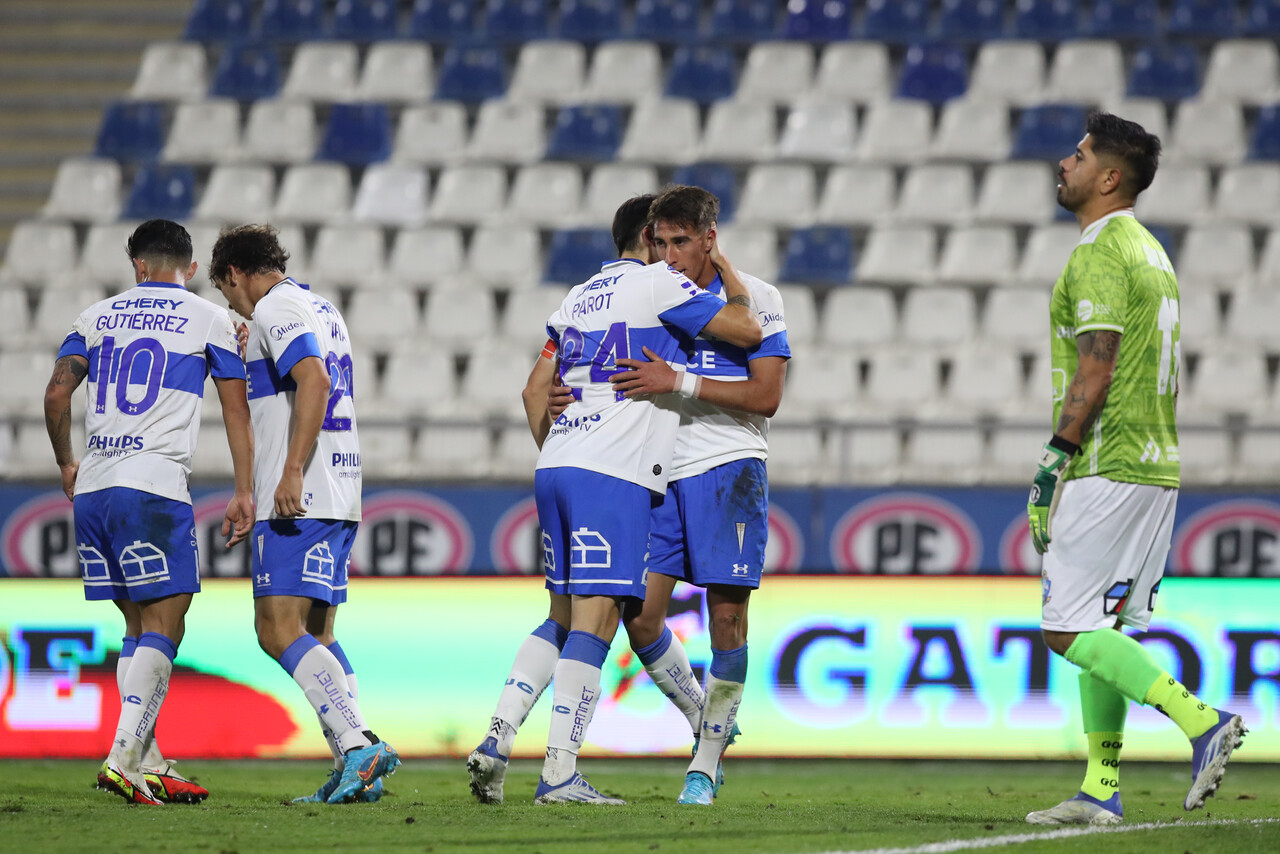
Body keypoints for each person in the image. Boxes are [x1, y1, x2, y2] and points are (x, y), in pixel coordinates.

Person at [467, 194, 763, 805]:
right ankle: (559, 773)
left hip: (557, 464)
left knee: (561, 615)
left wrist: (561, 446)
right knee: (598, 622)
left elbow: (532, 392)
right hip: (613, 473)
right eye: (667, 242)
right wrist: (729, 276)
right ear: (652, 241)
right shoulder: (659, 285)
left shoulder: (575, 297)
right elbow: (746, 329)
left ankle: (497, 742)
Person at [1023, 112, 1245, 826]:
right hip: (1156, 462)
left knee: (1064, 630)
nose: (1067, 162)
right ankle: (1101, 788)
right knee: (1103, 626)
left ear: (1109, 177)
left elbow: (1099, 359)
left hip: (1108, 459)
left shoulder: (1099, 251)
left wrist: (1057, 455)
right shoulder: (1151, 250)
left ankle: (1201, 721)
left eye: (1080, 155)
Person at [43, 219, 255, 805]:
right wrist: (244, 488)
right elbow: (235, 408)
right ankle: (122, 757)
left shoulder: (93, 316)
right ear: (188, 268)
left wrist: (66, 461)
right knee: (169, 621)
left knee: (137, 624)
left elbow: (57, 394)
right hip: (154, 486)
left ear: (137, 264)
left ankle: (150, 759)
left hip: (94, 486)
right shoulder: (208, 318)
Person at [606, 185, 790, 805]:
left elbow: (766, 397)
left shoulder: (759, 298)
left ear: (710, 238)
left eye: (681, 241)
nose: (669, 254)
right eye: (659, 242)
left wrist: (678, 380)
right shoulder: (649, 293)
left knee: (728, 617)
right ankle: (707, 722)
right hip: (654, 467)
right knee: (642, 615)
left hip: (727, 466)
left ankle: (703, 766)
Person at [208, 224, 398, 805]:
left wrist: (289, 471)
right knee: (319, 631)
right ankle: (357, 765)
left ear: (234, 274)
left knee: (276, 629)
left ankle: (357, 744)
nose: (232, 306)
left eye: (226, 291)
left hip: (302, 492)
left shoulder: (276, 306)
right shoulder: (322, 306)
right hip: (339, 488)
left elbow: (312, 379)